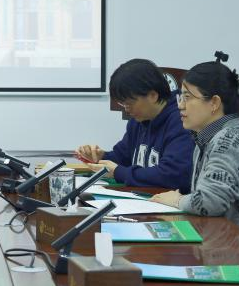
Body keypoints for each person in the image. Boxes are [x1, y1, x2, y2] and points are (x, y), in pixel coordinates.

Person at [152, 52, 239, 244]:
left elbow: (208, 202)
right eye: (180, 97)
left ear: (214, 103)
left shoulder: (226, 141)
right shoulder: (207, 136)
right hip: (225, 240)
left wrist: (176, 200)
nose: (180, 105)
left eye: (187, 97)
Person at [75, 59, 194, 190]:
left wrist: (119, 173)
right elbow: (123, 157)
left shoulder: (182, 121)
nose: (126, 109)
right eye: (123, 103)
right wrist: (100, 156)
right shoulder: (138, 119)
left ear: (153, 95)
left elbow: (172, 175)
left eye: (129, 103)